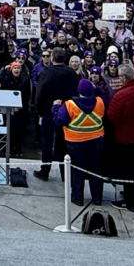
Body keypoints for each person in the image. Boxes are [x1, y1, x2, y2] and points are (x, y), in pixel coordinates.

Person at [52, 78, 106, 207]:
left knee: (78, 169)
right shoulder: (99, 102)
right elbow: (104, 94)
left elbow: (59, 121)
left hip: (75, 141)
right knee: (96, 169)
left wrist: (55, 107)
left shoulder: (69, 104)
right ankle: (97, 198)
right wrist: (96, 87)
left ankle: (77, 197)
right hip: (96, 140)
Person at [107, 60, 134, 211]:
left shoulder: (120, 96)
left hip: (125, 139)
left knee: (128, 170)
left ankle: (129, 202)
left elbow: (111, 118)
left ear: (124, 78)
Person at [33, 48, 79, 182]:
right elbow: (76, 93)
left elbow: (39, 93)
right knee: (63, 144)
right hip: (67, 112)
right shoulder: (71, 73)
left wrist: (38, 111)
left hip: (48, 112)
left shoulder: (47, 73)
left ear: (52, 58)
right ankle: (65, 173)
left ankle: (45, 171)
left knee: (47, 142)